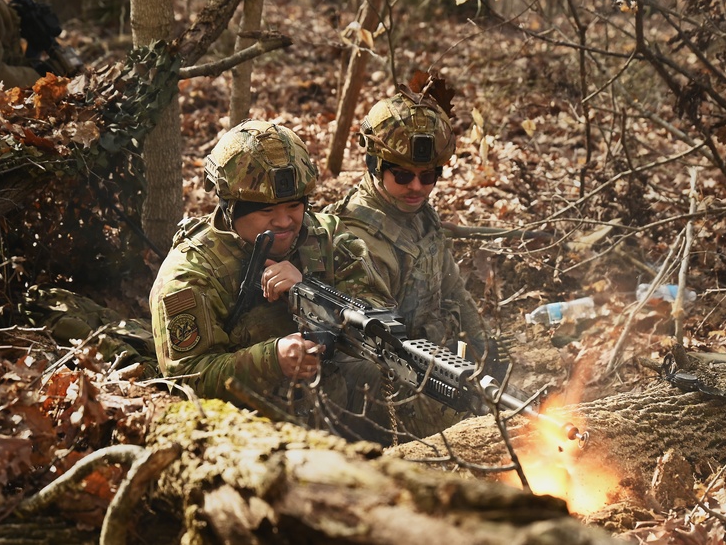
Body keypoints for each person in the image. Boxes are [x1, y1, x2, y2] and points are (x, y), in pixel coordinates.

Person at [150, 120, 387, 429]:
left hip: (330, 399)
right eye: (266, 211)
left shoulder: (324, 236)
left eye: (293, 205)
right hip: (246, 425)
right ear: (231, 208)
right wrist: (272, 358)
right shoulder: (190, 273)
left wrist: (311, 292)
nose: (284, 221)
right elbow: (188, 378)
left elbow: (379, 312)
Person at [325, 88, 501, 438]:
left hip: (429, 359)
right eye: (402, 175)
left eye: (428, 176)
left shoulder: (421, 218)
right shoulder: (357, 240)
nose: (417, 187)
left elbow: (455, 292)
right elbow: (378, 350)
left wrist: (486, 355)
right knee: (474, 430)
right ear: (375, 165)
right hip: (371, 378)